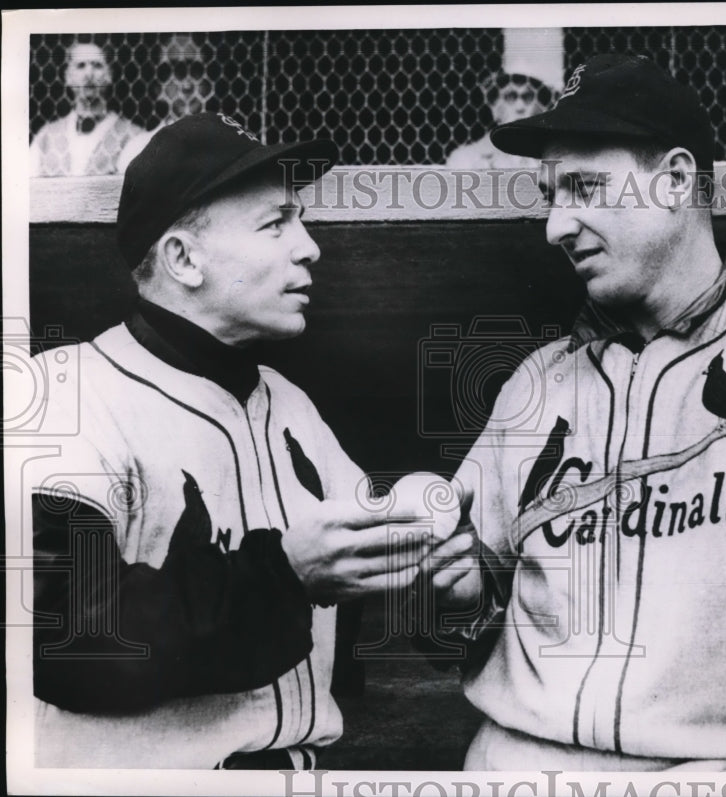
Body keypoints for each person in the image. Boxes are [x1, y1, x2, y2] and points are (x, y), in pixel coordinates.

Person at [428, 55, 726, 772]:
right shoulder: (539, 381)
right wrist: (446, 584)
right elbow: (455, 608)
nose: (556, 225)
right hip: (517, 766)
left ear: (677, 179)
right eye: (549, 195)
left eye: (585, 187)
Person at [28, 112, 470, 769]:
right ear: (184, 258)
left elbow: (379, 574)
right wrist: (283, 575)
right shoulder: (65, 394)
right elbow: (68, 636)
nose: (309, 246)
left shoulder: (291, 406)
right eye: (276, 223)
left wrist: (435, 591)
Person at [29, 39, 144, 176]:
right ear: (67, 77)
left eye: (97, 65)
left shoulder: (133, 136)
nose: (89, 74)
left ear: (109, 75)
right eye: (81, 65)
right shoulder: (46, 137)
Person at [116, 33, 216, 171]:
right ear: (158, 88)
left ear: (209, 85)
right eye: (176, 72)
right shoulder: (137, 151)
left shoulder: (226, 146)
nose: (187, 86)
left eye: (195, 71)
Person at [445, 70, 557, 169]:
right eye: (510, 97)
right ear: (495, 108)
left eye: (528, 97)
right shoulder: (465, 159)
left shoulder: (556, 159)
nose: (519, 107)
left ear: (542, 108)